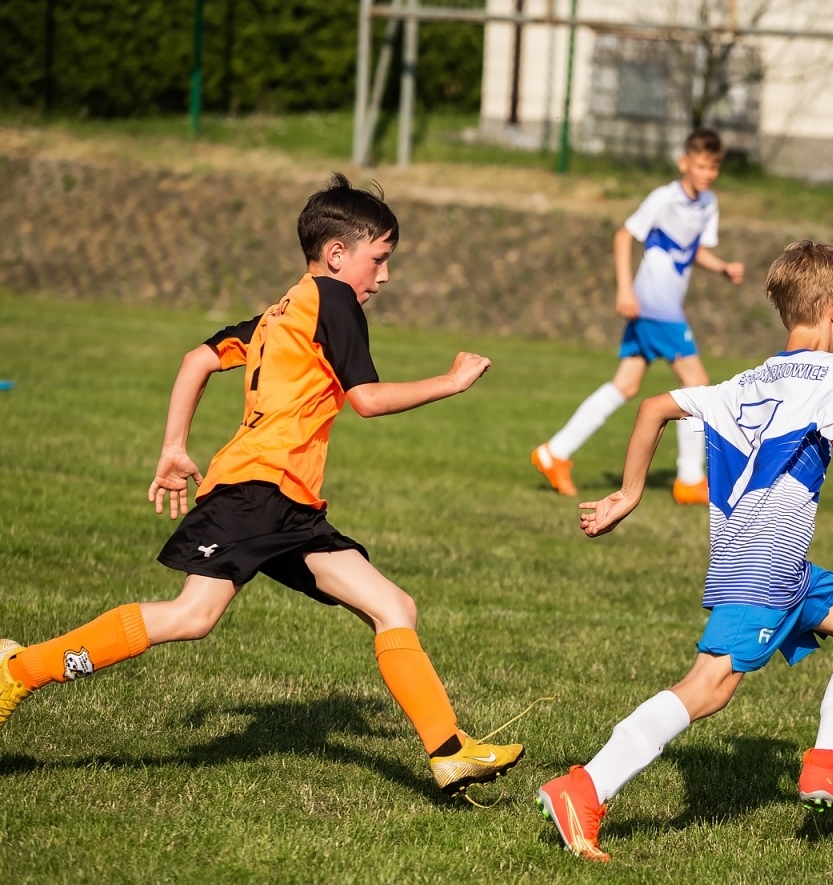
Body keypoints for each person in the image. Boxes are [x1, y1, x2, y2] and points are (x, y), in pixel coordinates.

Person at [0, 174, 523, 796]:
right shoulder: (333, 300)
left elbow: (198, 358)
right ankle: (19, 670)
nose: (383, 277)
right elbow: (367, 400)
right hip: (257, 489)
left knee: (394, 606)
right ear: (337, 254)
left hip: (290, 502)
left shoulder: (283, 311)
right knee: (192, 616)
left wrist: (174, 447)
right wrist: (451, 381)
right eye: (378, 259)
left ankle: (449, 750)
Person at [536, 241, 833, 862]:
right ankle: (584, 788)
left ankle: (829, 765)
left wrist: (630, 493)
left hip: (783, 568)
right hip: (764, 570)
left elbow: (655, 406)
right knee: (708, 686)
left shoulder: (748, 380)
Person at [531, 127, 745, 505]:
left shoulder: (708, 204)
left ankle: (554, 453)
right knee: (697, 384)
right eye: (700, 166)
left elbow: (690, 249)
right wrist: (624, 289)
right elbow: (624, 235)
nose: (707, 173)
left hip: (658, 306)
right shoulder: (664, 198)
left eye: (713, 168)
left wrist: (723, 267)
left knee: (625, 385)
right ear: (684, 163)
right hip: (655, 303)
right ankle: (690, 478)